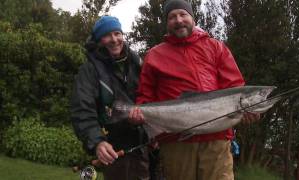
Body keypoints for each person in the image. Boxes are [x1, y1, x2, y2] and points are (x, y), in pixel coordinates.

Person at [129, 0, 260, 180]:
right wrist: (140, 112)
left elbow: (235, 87)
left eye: (183, 14)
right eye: (172, 17)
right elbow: (145, 95)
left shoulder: (216, 47)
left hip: (217, 141)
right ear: (167, 23)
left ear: (192, 17)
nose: (178, 20)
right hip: (175, 143)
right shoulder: (154, 55)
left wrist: (248, 110)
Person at [71, 16, 149, 180]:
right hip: (114, 150)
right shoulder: (89, 70)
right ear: (99, 40)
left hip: (145, 146)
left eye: (117, 33)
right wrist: (97, 142)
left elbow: (151, 97)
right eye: (107, 35)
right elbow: (82, 110)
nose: (114, 39)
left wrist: (154, 131)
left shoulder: (137, 63)